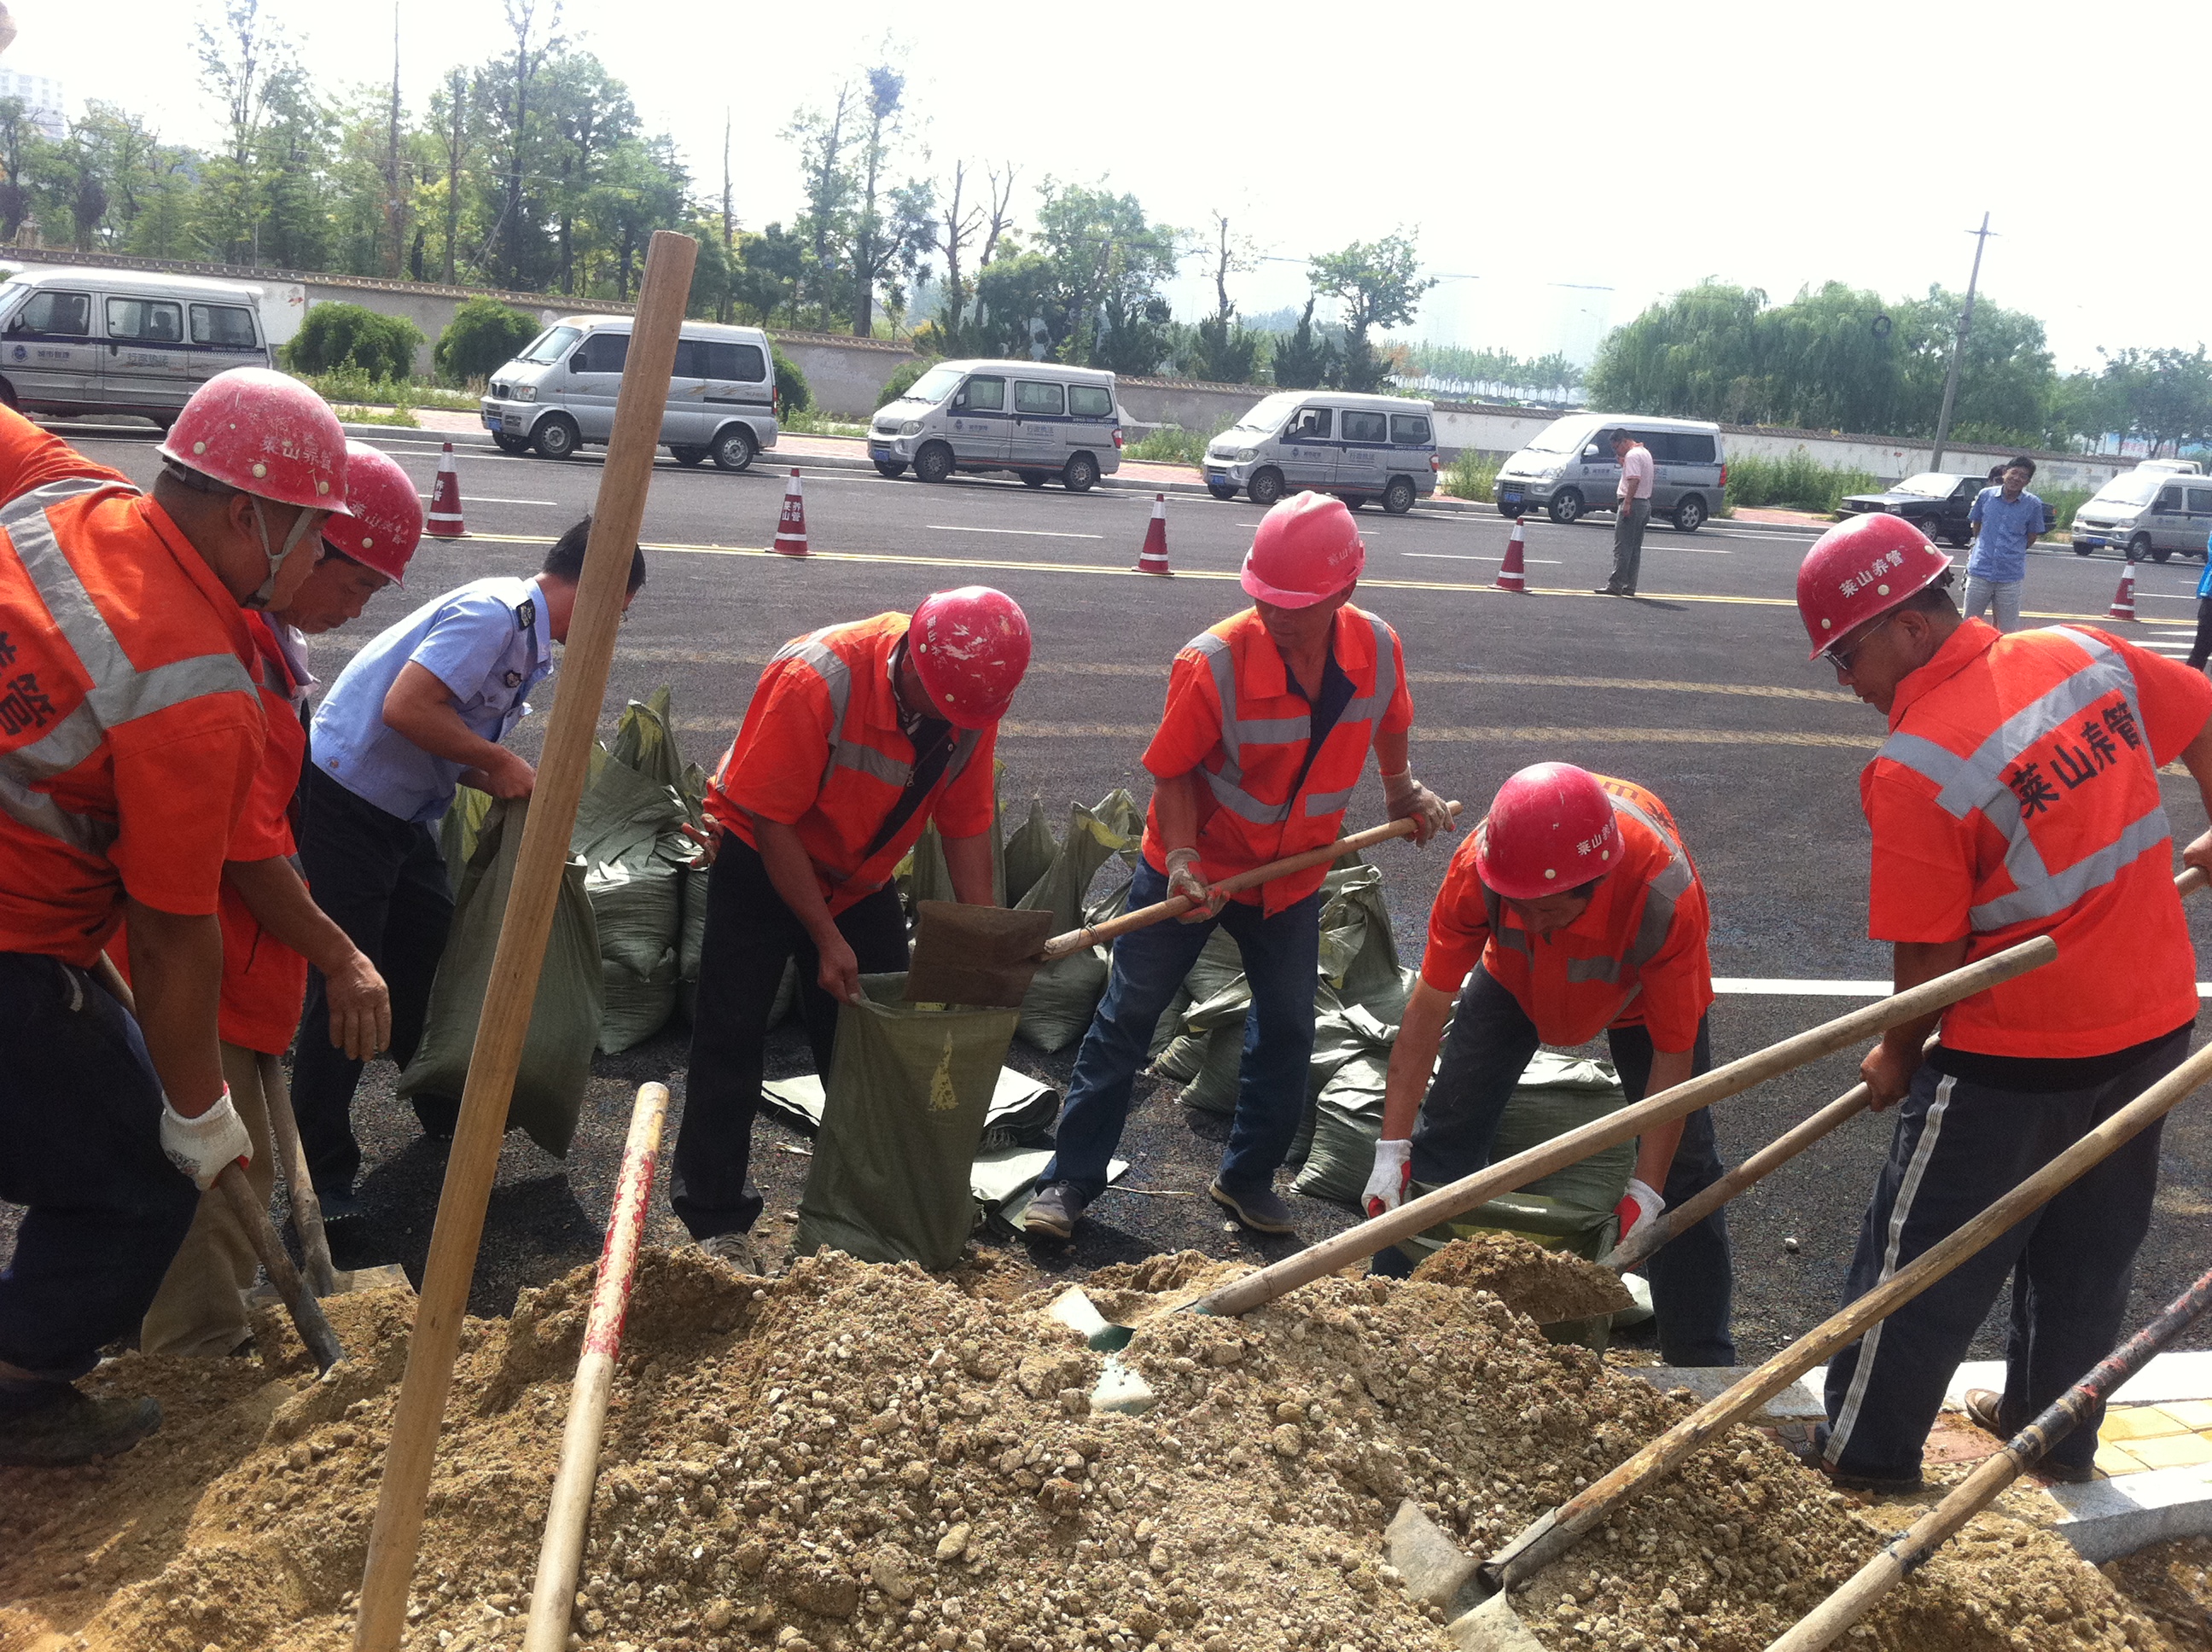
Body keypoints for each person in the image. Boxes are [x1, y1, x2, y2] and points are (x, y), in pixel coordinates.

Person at [1796, 510, 2212, 1492]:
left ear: (1907, 624)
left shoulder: (1916, 765)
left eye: (1846, 657)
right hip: (2153, 1024)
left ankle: (1863, 1456)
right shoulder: (2081, 651)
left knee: (1922, 1267)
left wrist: (1898, 1057)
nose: (1847, 684)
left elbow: (1933, 960)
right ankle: (2050, 1433)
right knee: (2088, 1249)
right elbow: (2202, 712)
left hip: (2013, 1056)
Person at [0, 367, 349, 1464]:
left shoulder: (67, 496)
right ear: (251, 515)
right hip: (15, 943)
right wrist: (200, 1114)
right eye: (312, 533)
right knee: (143, 1181)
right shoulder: (199, 691)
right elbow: (169, 930)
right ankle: (17, 1385)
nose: (315, 560)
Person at [1026, 492, 1453, 1242]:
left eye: (1295, 602)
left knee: (1288, 1026)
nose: (1276, 614)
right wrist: (1186, 859)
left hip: (1289, 881)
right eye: (1265, 598)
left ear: (1345, 592)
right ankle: (1067, 1184)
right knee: (1126, 1018)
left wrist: (1401, 791)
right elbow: (1175, 770)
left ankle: (1247, 1179)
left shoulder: (1378, 648)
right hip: (1194, 871)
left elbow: (1391, 719)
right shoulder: (1215, 660)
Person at [136, 444, 422, 1358]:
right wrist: (343, 954)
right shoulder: (234, 655)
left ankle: (193, 1339)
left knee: (237, 1171)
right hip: (201, 961)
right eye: (354, 585)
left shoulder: (270, 643)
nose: (353, 611)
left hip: (242, 964)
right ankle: (191, 1363)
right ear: (307, 544)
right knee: (218, 1181)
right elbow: (241, 849)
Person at [292, 518, 648, 1215]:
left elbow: (447, 737)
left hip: (399, 812)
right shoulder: (495, 616)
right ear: (599, 589)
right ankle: (324, 1178)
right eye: (620, 613)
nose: (614, 631)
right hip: (347, 804)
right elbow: (407, 708)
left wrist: (514, 781)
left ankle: (443, 1107)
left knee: (431, 957)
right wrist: (500, 762)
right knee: (346, 987)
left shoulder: (526, 636)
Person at [672, 587, 1033, 1273]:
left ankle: (872, 1210)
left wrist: (985, 935)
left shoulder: (968, 700)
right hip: (761, 851)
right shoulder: (819, 678)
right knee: (731, 1036)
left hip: (859, 877)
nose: (953, 721)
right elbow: (774, 821)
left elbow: (965, 823)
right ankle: (716, 1219)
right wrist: (824, 938)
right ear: (914, 663)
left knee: (874, 1043)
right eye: (943, 704)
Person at [1362, 763, 1737, 1364]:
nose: (1531, 925)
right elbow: (1426, 1013)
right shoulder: (1482, 868)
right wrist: (1390, 1150)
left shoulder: (1662, 894)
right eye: (1520, 908)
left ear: (1598, 882)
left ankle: (1702, 1362)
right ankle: (1387, 1324)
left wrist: (1646, 1189)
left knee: (1687, 1171)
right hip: (1512, 980)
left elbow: (1675, 1055)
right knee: (1446, 1131)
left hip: (1639, 1001)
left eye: (1551, 912)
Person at [1962, 456, 2046, 633]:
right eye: (2014, 473)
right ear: (2005, 473)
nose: (2016, 478)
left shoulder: (2033, 504)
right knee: (1969, 626)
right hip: (1980, 572)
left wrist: (2011, 551)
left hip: (2010, 576)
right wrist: (1983, 546)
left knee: (2007, 630)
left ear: (2028, 481)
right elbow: (1976, 525)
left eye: (2023, 476)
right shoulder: (1986, 496)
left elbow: (2031, 537)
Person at [1597, 430, 1653, 597]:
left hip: (1633, 503)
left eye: (1616, 448)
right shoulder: (1644, 452)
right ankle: (1630, 585)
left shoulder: (1632, 455)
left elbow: (1635, 480)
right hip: (1644, 503)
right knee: (1634, 548)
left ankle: (1616, 584)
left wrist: (1627, 503)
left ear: (1623, 442)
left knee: (1622, 547)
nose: (1617, 452)